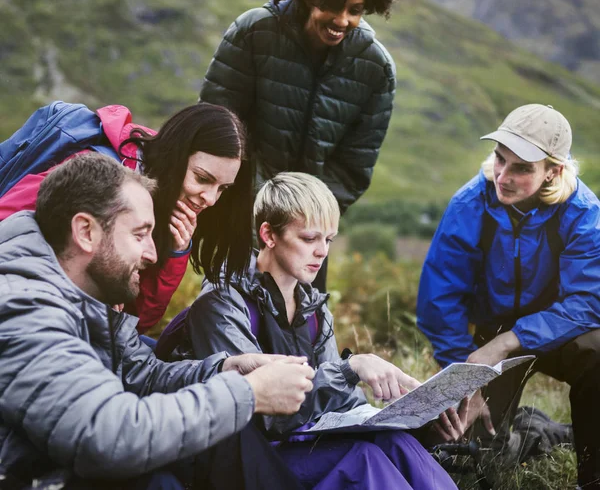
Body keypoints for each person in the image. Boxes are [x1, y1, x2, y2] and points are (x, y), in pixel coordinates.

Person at [0, 153, 315, 489]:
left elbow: (142, 376)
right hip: (34, 477)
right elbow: (108, 437)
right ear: (85, 231)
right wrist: (248, 394)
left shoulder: (84, 298)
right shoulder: (25, 306)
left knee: (222, 436)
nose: (152, 253)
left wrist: (226, 370)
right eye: (140, 234)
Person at [165, 172, 464, 489]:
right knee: (363, 458)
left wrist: (421, 425)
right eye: (309, 239)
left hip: (301, 442)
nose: (322, 251)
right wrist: (352, 368)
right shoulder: (223, 302)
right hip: (246, 457)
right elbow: (261, 409)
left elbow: (341, 405)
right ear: (268, 235)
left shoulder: (313, 309)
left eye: (329, 239)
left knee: (394, 441)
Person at [416, 104, 600, 487]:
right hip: (487, 336)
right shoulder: (469, 204)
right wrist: (466, 380)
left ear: (554, 170)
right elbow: (439, 300)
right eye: (500, 159)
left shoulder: (583, 212)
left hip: (558, 330)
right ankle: (538, 433)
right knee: (464, 450)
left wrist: (507, 342)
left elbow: (586, 302)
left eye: (521, 168)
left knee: (598, 354)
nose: (503, 175)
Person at [199, 0, 397, 291]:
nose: (342, 20)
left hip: (307, 234)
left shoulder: (376, 68)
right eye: (332, 5)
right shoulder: (253, 33)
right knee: (229, 318)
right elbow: (216, 128)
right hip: (239, 219)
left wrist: (301, 222)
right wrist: (262, 209)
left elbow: (353, 169)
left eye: (355, 10)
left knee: (298, 330)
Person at [0, 102, 253, 332]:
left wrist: (177, 252)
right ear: (177, 154)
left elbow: (137, 323)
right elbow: (8, 218)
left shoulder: (170, 203)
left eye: (222, 188)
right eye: (202, 178)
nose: (210, 199)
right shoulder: (98, 171)